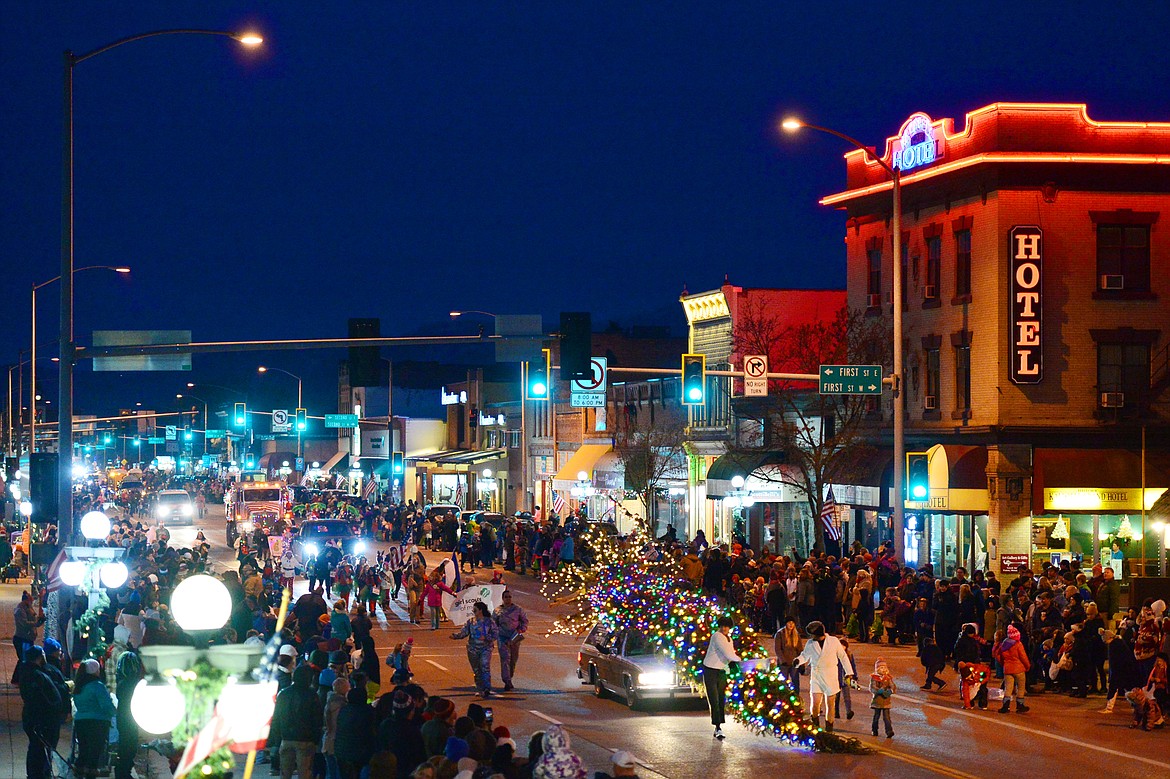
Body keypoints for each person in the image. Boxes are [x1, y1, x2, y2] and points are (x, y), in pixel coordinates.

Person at [796, 620, 855, 732]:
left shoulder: (833, 641)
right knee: (815, 703)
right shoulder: (810, 643)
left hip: (830, 676)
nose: (811, 637)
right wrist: (798, 661)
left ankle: (829, 728)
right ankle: (815, 726)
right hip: (816, 676)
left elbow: (843, 656)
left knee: (830, 703)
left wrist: (849, 673)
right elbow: (805, 655)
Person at [270, 664, 324, 779]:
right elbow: (317, 719)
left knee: (285, 773)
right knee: (305, 773)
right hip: (306, 739)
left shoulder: (283, 694)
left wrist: (277, 738)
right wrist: (315, 739)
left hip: (286, 738)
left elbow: (276, 718)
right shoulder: (312, 695)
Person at [19, 645, 62, 779]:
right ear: (38, 657)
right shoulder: (35, 675)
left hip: (40, 719)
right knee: (38, 750)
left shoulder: (34, 672)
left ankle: (40, 773)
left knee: (39, 749)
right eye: (43, 654)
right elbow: (38, 699)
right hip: (40, 720)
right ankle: (37, 774)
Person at [72, 658, 116, 779]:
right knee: (94, 753)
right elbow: (106, 705)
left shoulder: (79, 687)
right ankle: (90, 775)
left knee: (83, 751)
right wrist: (114, 711)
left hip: (81, 721)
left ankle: (78, 773)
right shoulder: (97, 686)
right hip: (98, 723)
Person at [702, 616, 740, 740]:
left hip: (721, 671)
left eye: (727, 626)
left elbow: (731, 653)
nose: (724, 628)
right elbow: (728, 653)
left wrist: (733, 661)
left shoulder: (729, 639)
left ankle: (719, 726)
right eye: (722, 626)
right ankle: (717, 727)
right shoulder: (717, 636)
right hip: (711, 670)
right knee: (714, 699)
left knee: (721, 698)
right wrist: (740, 660)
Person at [451, 601, 499, 698]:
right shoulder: (470, 621)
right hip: (472, 649)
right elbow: (464, 632)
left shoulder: (489, 621)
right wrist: (455, 636)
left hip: (486, 648)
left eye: (475, 609)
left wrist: (486, 638)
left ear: (480, 610)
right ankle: (480, 688)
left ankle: (487, 688)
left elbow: (495, 634)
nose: (473, 611)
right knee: (476, 670)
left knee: (485, 667)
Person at [494, 590, 529, 692]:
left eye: (509, 597)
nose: (508, 599)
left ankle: (510, 676)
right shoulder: (497, 611)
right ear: (502, 598)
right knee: (505, 659)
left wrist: (521, 630)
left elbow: (524, 621)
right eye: (506, 597)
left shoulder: (518, 609)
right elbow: (493, 624)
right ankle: (507, 681)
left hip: (514, 638)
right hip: (502, 637)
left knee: (513, 660)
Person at [992, 624, 1031, 714]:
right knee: (1020, 687)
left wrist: (1004, 664)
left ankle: (1006, 706)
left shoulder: (1004, 644)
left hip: (1008, 669)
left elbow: (998, 656)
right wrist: (1027, 665)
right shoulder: (1018, 644)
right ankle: (1020, 705)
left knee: (1008, 688)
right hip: (1019, 669)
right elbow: (1023, 657)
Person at [12, 588, 45, 684]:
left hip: (28, 638)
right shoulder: (20, 610)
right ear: (26, 600)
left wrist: (39, 621)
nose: (32, 602)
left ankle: (18, 679)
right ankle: (18, 679)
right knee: (24, 659)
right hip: (22, 638)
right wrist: (36, 623)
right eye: (30, 600)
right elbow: (25, 623)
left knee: (24, 659)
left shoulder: (27, 607)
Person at [869, 658, 896, 738]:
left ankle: (889, 731)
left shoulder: (888, 677)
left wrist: (890, 690)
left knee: (887, 718)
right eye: (881, 667)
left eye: (884, 667)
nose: (883, 669)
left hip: (886, 701)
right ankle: (874, 730)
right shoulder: (874, 678)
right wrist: (879, 691)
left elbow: (892, 685)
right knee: (876, 717)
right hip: (877, 701)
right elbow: (872, 687)